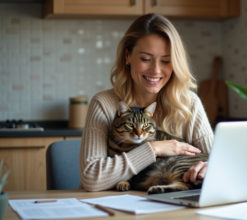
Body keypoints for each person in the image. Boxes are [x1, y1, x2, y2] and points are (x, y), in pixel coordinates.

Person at [79, 13, 214, 192]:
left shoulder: (189, 104)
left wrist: (207, 168)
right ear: (127, 56)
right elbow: (92, 178)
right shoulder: (104, 104)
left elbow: (219, 164)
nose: (156, 70)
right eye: (145, 59)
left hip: (169, 205)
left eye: (166, 61)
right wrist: (154, 149)